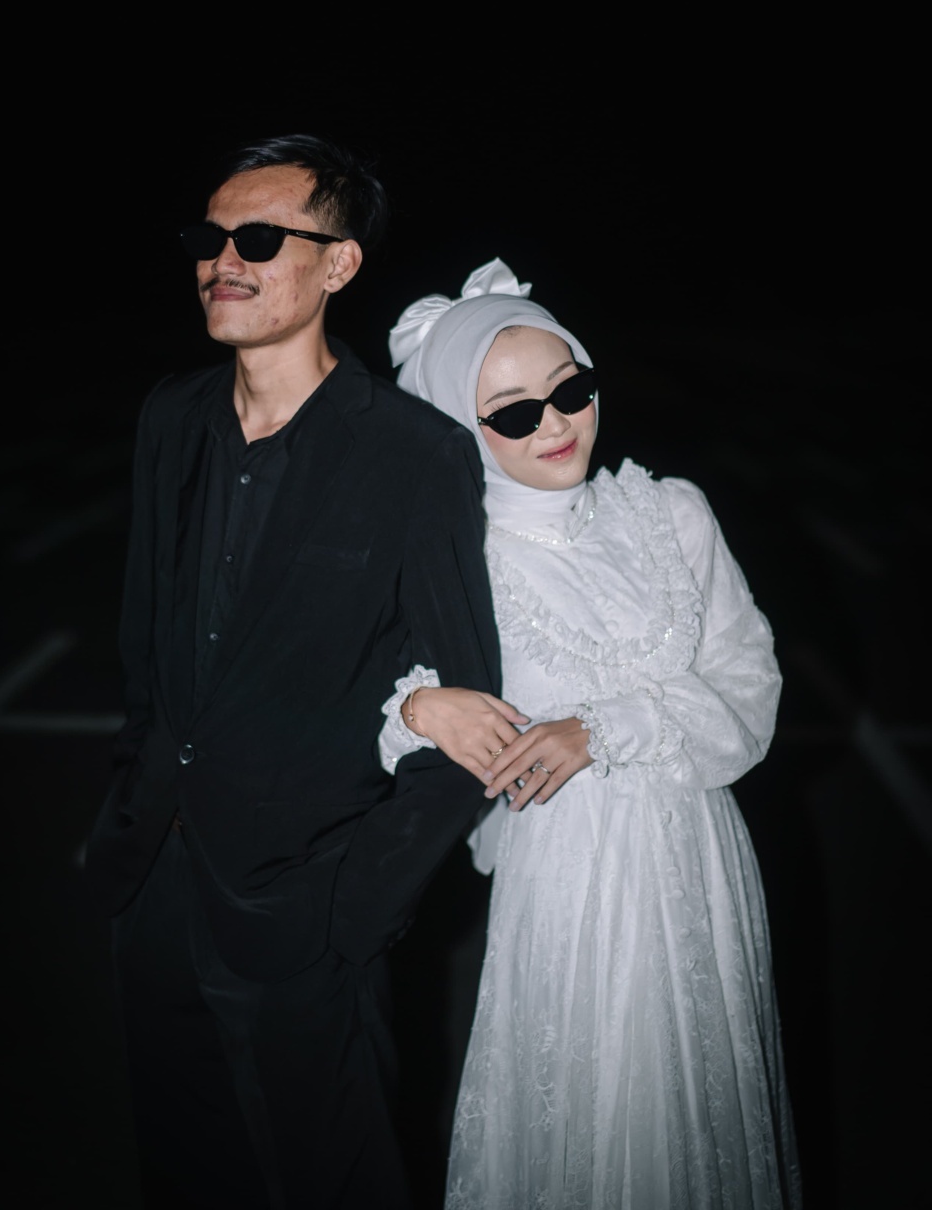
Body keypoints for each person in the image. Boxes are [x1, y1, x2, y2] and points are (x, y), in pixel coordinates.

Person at [83, 136, 507, 1210]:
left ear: (339, 264)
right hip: (153, 888)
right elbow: (146, 647)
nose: (223, 260)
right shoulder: (171, 415)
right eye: (210, 237)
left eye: (261, 240)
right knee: (184, 1177)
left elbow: (469, 705)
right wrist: (127, 815)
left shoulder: (414, 453)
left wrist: (354, 910)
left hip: (305, 915)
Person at [378, 258, 803, 1209]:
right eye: (515, 413)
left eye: (570, 389)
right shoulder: (455, 557)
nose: (557, 423)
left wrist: (602, 728)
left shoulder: (672, 513)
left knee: (699, 1125)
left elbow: (749, 686)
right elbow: (364, 713)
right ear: (459, 427)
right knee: (588, 1123)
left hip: (700, 862)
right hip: (565, 883)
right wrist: (416, 710)